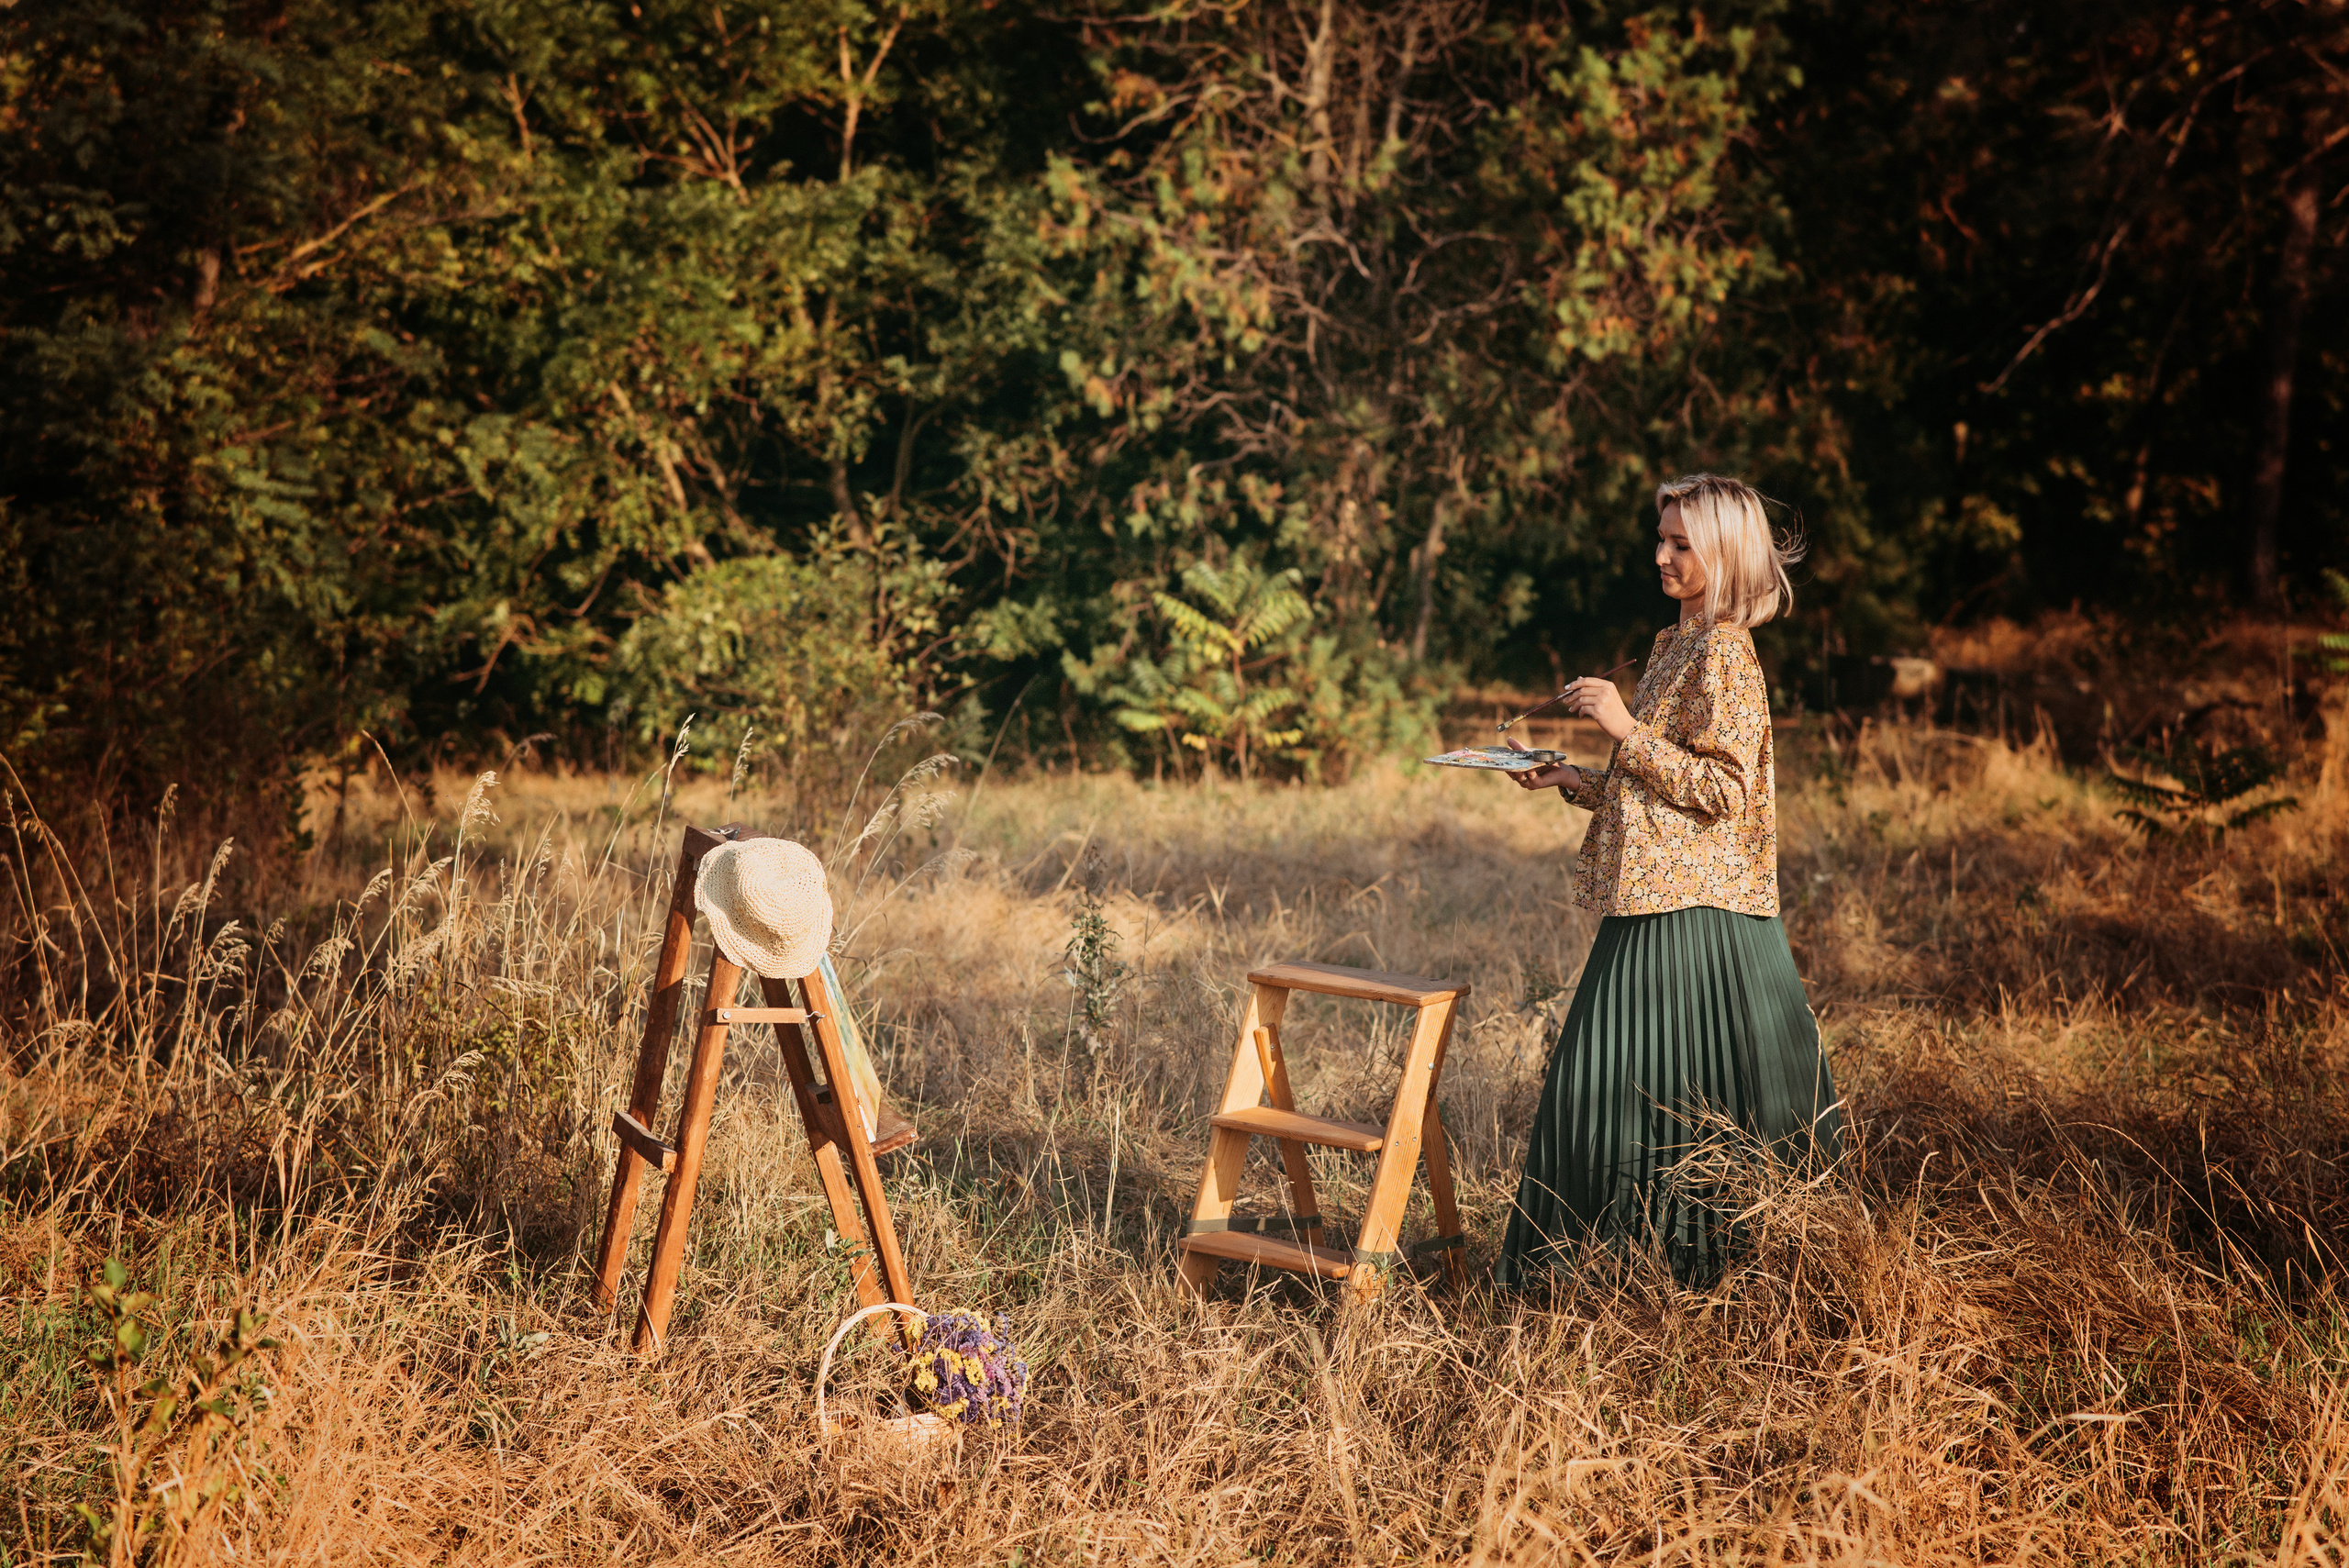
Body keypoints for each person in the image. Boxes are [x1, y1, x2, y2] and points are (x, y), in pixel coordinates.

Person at [1495, 473, 1842, 1289]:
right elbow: (1664, 787)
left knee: (1611, 1083)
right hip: (1655, 901)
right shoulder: (1677, 643)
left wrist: (1621, 723)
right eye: (1662, 537)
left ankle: (1679, 1270)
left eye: (1681, 544)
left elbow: (1725, 791)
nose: (1661, 555)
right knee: (1605, 1086)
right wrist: (1576, 778)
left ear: (1723, 554)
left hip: (1703, 918)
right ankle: (1607, 1272)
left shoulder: (1726, 653)